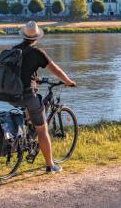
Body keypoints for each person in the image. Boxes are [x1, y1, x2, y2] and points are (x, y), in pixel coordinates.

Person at [13, 20, 76, 174]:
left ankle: (26, 142)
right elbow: (56, 69)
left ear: (23, 36)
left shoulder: (15, 50)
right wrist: (68, 81)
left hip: (11, 94)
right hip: (27, 94)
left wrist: (36, 79)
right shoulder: (37, 52)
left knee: (31, 115)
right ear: (37, 37)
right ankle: (50, 165)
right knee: (42, 129)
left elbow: (22, 72)